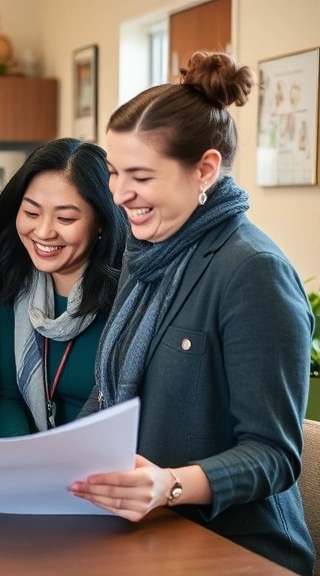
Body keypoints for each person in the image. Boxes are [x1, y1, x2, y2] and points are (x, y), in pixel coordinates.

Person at [67, 52, 315, 575]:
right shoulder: (149, 252)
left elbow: (273, 454)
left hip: (234, 547)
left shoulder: (253, 272)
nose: (118, 194)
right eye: (113, 173)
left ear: (205, 168)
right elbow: (107, 397)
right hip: (140, 532)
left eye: (140, 176)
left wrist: (170, 484)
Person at [0, 138, 126, 435]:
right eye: (31, 213)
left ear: (101, 222)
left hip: (103, 462)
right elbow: (7, 396)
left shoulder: (127, 297)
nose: (43, 232)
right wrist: (24, 461)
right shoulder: (11, 283)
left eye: (65, 218)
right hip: (28, 464)